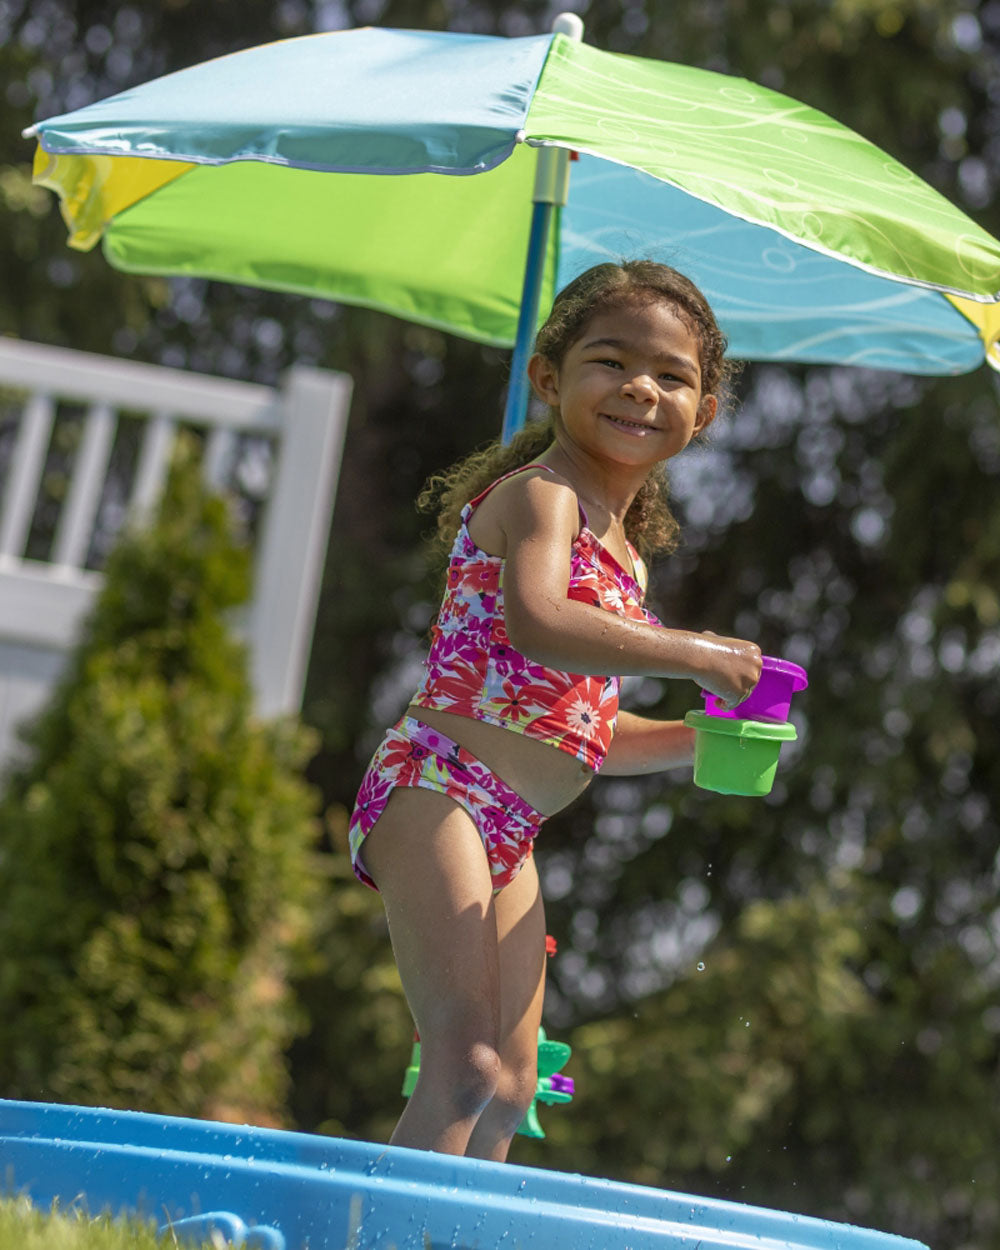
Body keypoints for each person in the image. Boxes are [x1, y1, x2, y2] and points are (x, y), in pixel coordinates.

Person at [347, 260, 762, 1161]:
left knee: (509, 1090)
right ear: (547, 378)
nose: (640, 388)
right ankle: (374, 1228)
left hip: (513, 827)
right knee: (463, 1065)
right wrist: (694, 651)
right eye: (610, 361)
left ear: (703, 414)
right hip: (439, 789)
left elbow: (585, 731)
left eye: (672, 376)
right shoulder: (543, 497)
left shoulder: (627, 558)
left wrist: (703, 740)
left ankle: (450, 1230)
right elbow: (539, 623)